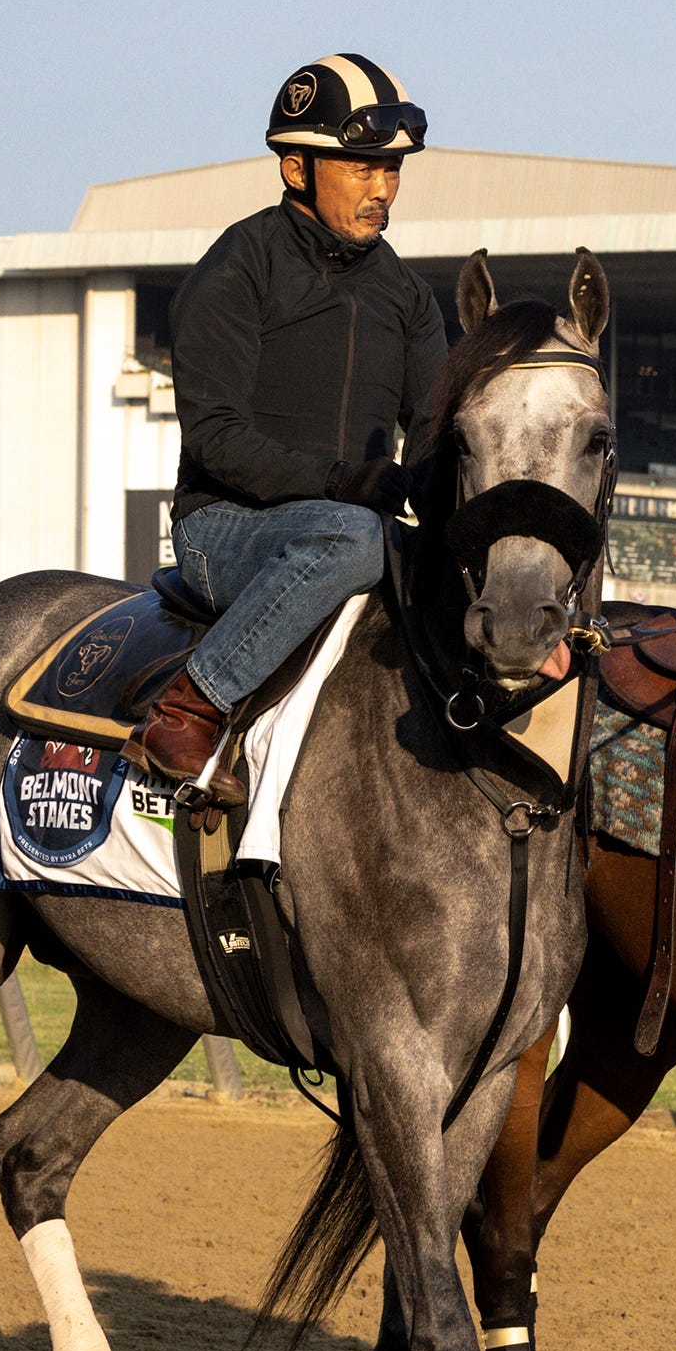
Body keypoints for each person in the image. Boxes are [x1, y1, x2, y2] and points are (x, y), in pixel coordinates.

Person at [125, 53, 449, 804]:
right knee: (359, 534)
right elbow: (216, 439)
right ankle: (191, 705)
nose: (382, 189)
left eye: (392, 170)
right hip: (229, 529)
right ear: (298, 168)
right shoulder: (239, 267)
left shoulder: (406, 294)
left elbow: (432, 437)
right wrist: (342, 482)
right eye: (363, 168)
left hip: (348, 531)